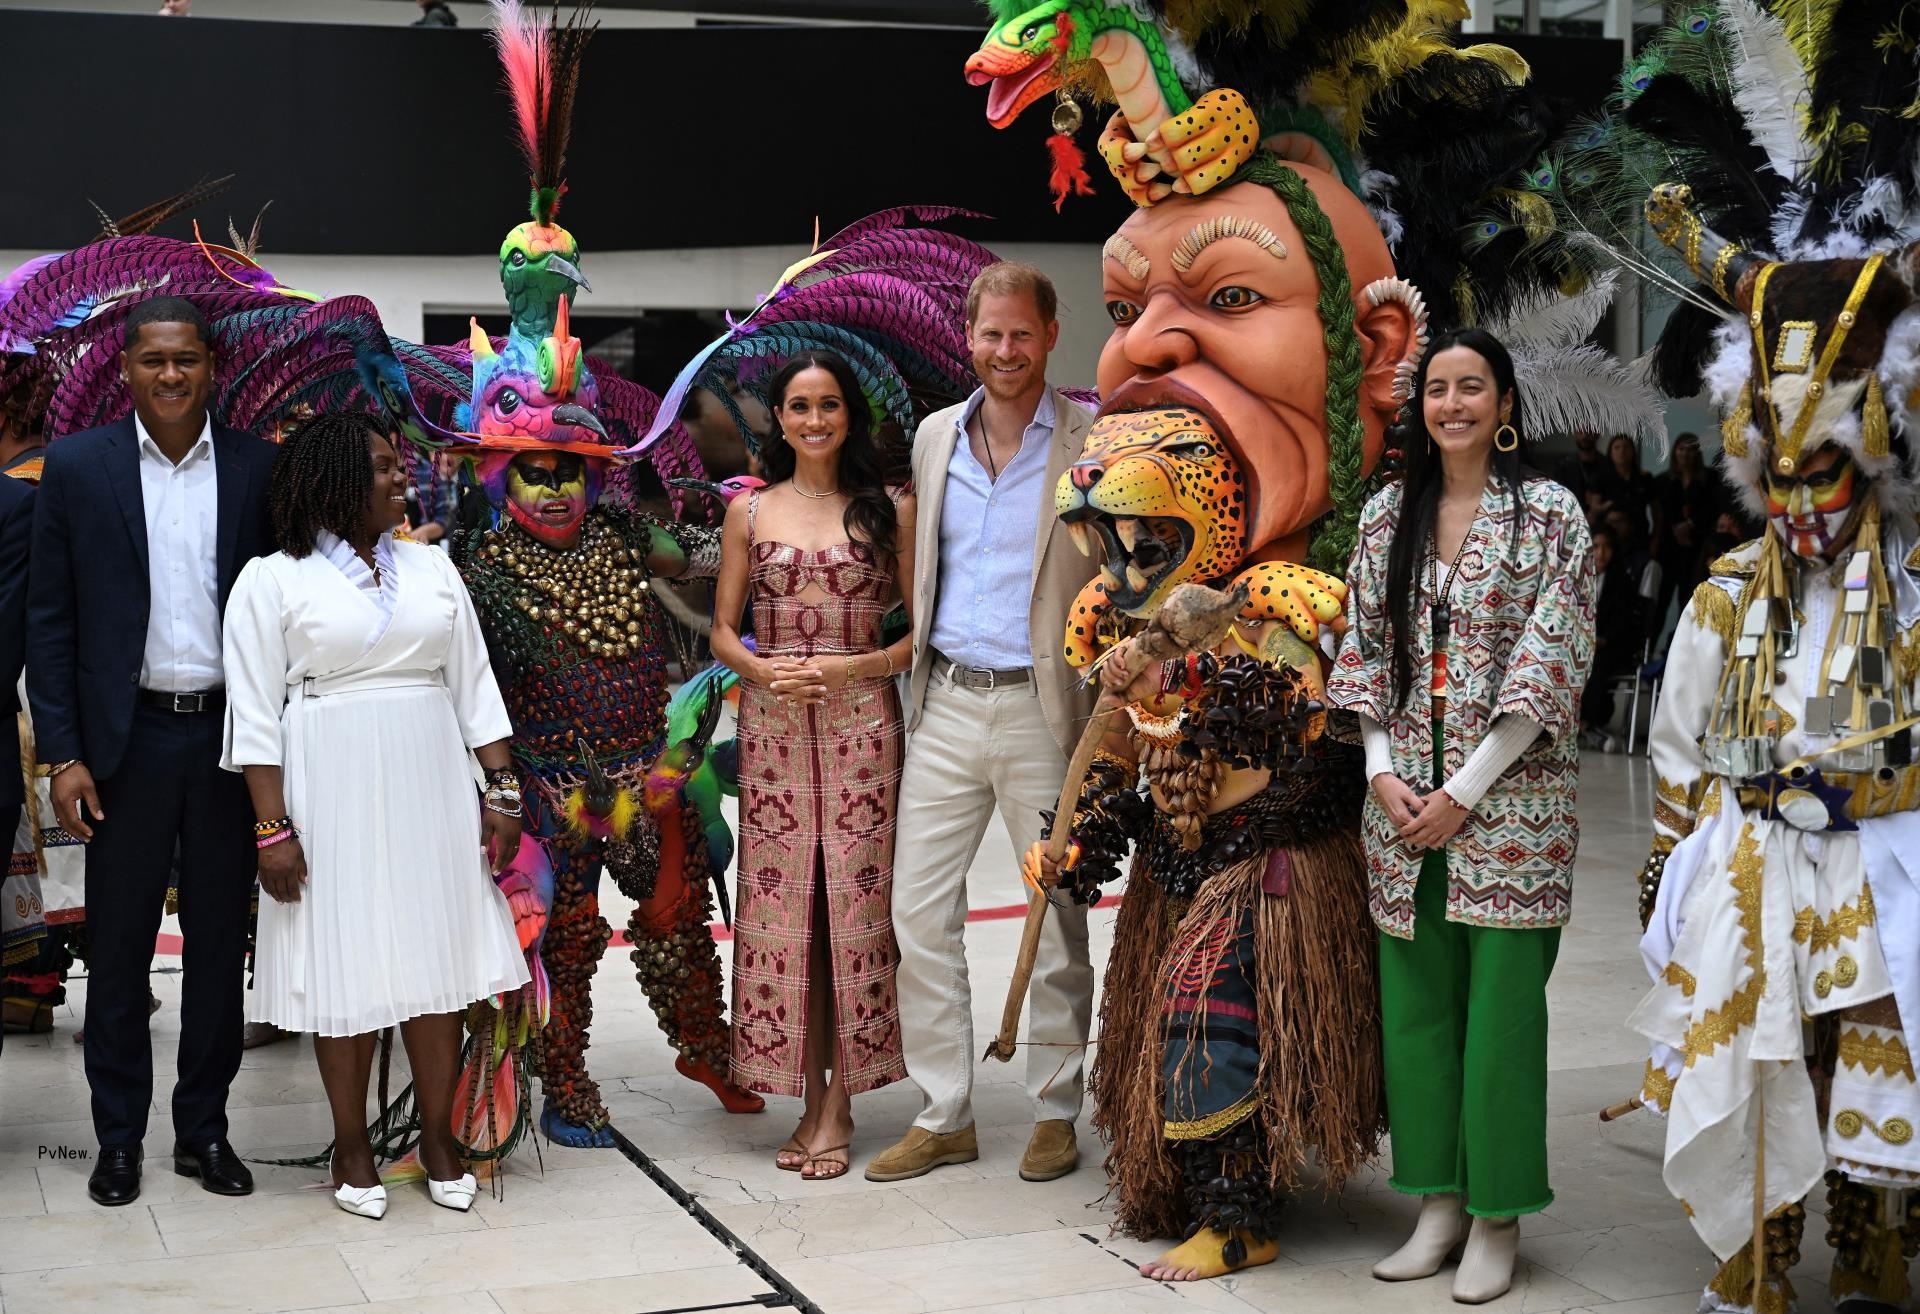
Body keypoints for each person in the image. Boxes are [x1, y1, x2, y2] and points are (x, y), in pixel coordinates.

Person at [1329, 327, 1595, 1304]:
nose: (1452, 404)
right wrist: (1382, 770)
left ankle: (1497, 1216)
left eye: (1471, 387)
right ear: (1420, 406)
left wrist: (1465, 792)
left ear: (1505, 403)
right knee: (1420, 1016)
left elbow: (1551, 659)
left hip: (1511, 809)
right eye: (1437, 389)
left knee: (1502, 1022)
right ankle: (1436, 1203)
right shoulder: (1390, 514)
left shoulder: (1550, 518)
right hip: (1402, 811)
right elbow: (1362, 646)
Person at [221, 411, 529, 1219]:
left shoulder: (431, 568)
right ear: (332, 483)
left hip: (429, 771)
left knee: (437, 959)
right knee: (343, 964)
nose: (403, 480)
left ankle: (436, 1136)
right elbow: (254, 720)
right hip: (328, 779)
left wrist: (500, 790)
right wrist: (271, 829)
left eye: (401, 467)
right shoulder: (272, 580)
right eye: (387, 468)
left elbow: (474, 683)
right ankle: (352, 1143)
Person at [25, 296, 279, 1207]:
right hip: (120, 744)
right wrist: (63, 755)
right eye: (152, 362)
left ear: (210, 366)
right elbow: (48, 621)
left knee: (219, 945)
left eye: (185, 361)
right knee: (120, 946)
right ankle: (119, 1138)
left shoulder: (257, 470)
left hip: (224, 740)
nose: (169, 376)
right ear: (125, 368)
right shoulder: (80, 468)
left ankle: (203, 1133)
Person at [863, 262, 1099, 1187]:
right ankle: (944, 1110)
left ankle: (1053, 1107)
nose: (1006, 351)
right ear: (969, 339)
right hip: (949, 701)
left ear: (1050, 333)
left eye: (1022, 334)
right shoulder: (933, 437)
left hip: (1047, 709)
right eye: (990, 335)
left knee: (1061, 911)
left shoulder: (1091, 438)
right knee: (917, 910)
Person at [710, 350, 915, 1181]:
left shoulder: (885, 510)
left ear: (849, 416)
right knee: (788, 918)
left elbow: (916, 638)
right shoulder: (750, 514)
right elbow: (722, 630)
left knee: (851, 910)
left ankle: (840, 1105)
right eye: (799, 406)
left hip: (864, 724)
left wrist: (849, 670)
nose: (815, 419)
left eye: (829, 405)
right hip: (773, 731)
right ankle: (808, 1098)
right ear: (779, 419)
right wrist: (757, 670)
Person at [1578, 524, 1645, 750]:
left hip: (1610, 646)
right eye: (1595, 546)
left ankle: (1587, 723)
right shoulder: (1577, 579)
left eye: (1606, 547)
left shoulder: (1623, 583)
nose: (1601, 553)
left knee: (1595, 663)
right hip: (1579, 643)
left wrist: (1602, 639)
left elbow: (1624, 624)